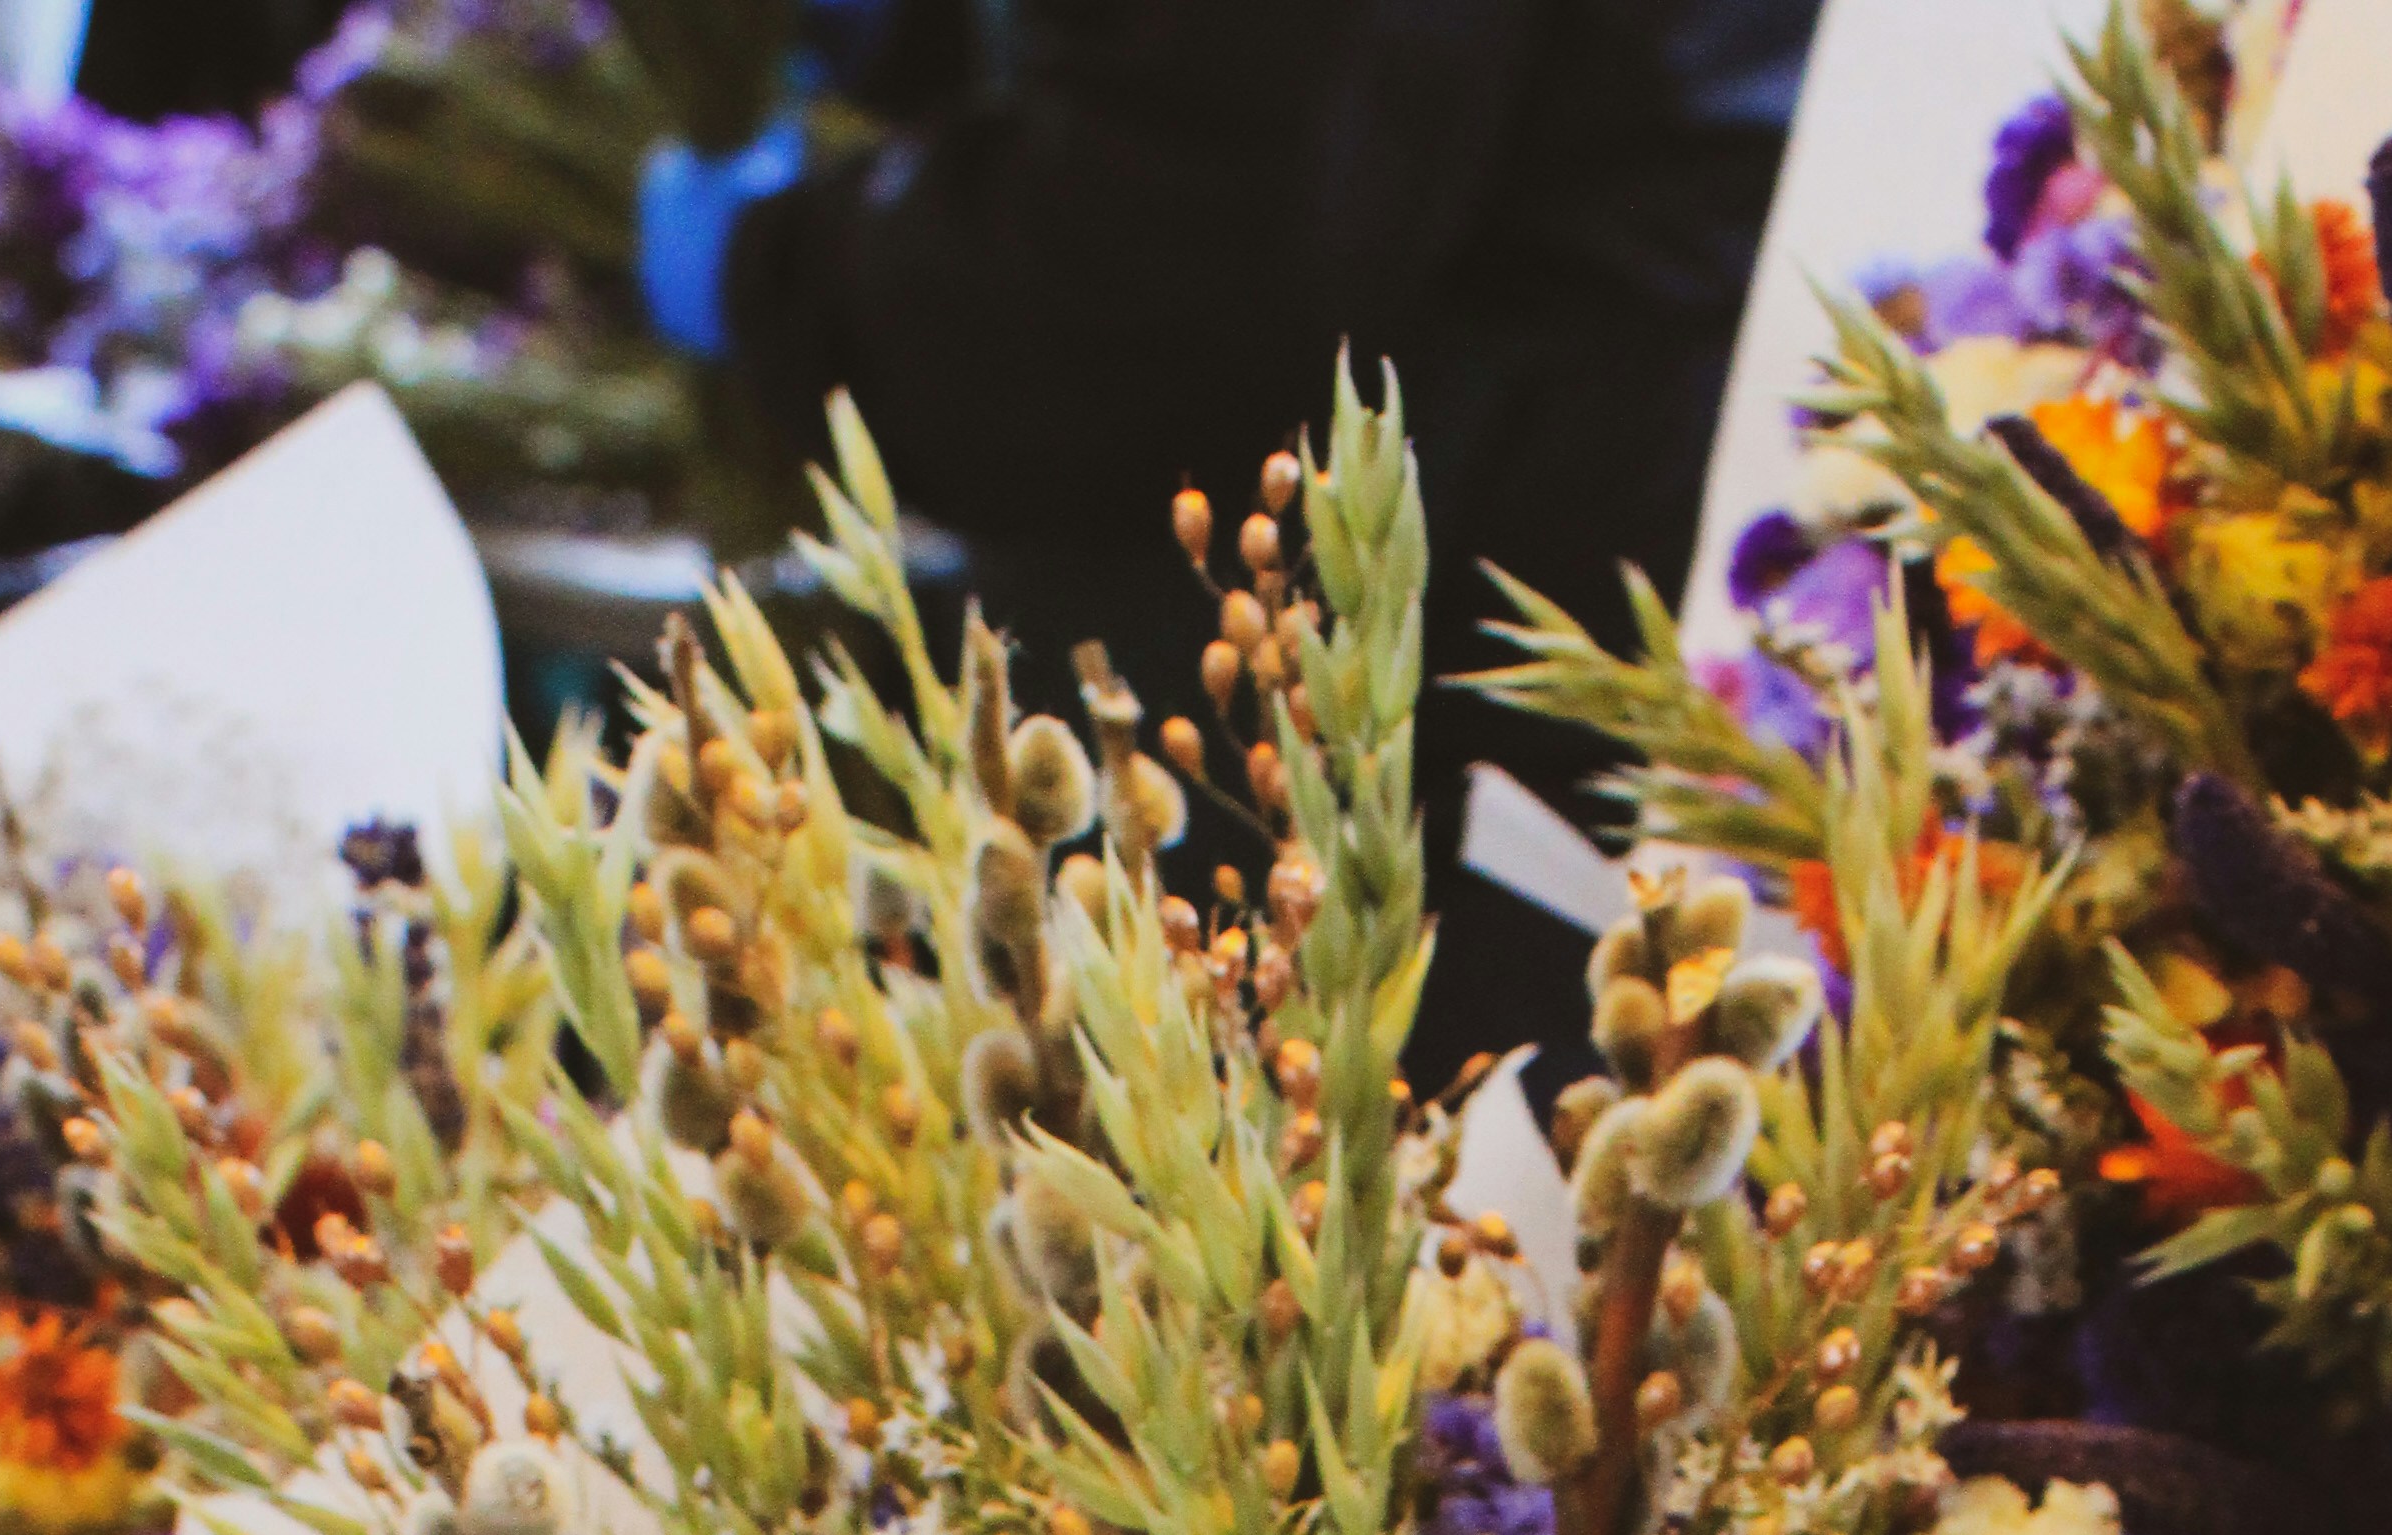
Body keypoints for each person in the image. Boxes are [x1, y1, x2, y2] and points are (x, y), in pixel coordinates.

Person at [673, 0, 1815, 1053]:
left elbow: (1184, 244)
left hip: (1405, 629)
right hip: (1585, 512)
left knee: (1338, 1158)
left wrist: (782, 277)